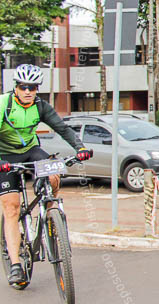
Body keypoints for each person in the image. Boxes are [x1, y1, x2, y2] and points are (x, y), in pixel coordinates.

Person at [0, 64, 93, 285]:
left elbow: (62, 129)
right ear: (16, 87)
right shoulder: (4, 104)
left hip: (31, 151)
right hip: (3, 155)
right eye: (24, 87)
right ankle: (15, 266)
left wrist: (80, 148)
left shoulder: (40, 106)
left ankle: (51, 215)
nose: (28, 92)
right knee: (11, 208)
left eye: (33, 87)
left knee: (52, 172)